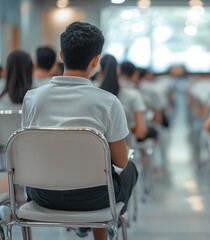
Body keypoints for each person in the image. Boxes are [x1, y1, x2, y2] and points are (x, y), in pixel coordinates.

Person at [21, 22, 138, 240]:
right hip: (93, 199)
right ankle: (104, 228)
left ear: (62, 55)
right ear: (96, 60)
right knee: (131, 170)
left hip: (41, 193)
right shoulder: (109, 102)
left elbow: (27, 149)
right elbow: (121, 162)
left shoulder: (32, 98)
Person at [99, 54, 148, 140]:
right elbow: (141, 131)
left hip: (96, 150)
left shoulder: (93, 93)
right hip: (126, 149)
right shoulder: (133, 95)